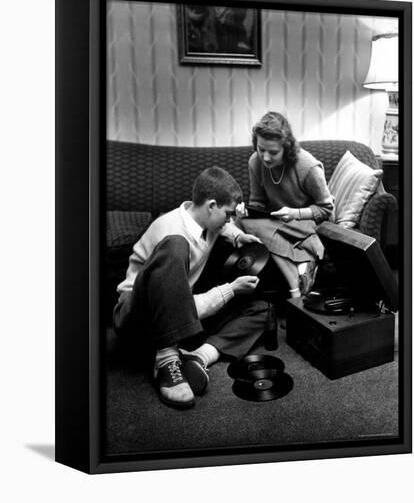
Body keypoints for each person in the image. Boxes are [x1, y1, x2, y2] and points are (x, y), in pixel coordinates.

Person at [113, 166, 266, 410]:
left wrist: (238, 236)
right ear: (211, 205)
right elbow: (177, 305)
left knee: (261, 309)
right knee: (176, 245)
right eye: (227, 214)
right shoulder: (172, 232)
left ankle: (199, 356)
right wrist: (230, 290)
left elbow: (223, 227)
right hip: (137, 316)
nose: (229, 220)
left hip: (176, 315)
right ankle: (166, 359)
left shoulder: (204, 218)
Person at [238, 111, 334, 298]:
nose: (265, 157)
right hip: (279, 222)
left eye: (273, 152)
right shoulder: (255, 162)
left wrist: (295, 213)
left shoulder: (307, 166)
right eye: (260, 149)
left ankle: (295, 278)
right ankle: (296, 276)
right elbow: (257, 203)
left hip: (310, 221)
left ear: (287, 147)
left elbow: (326, 209)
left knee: (254, 227)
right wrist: (247, 212)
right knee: (240, 222)